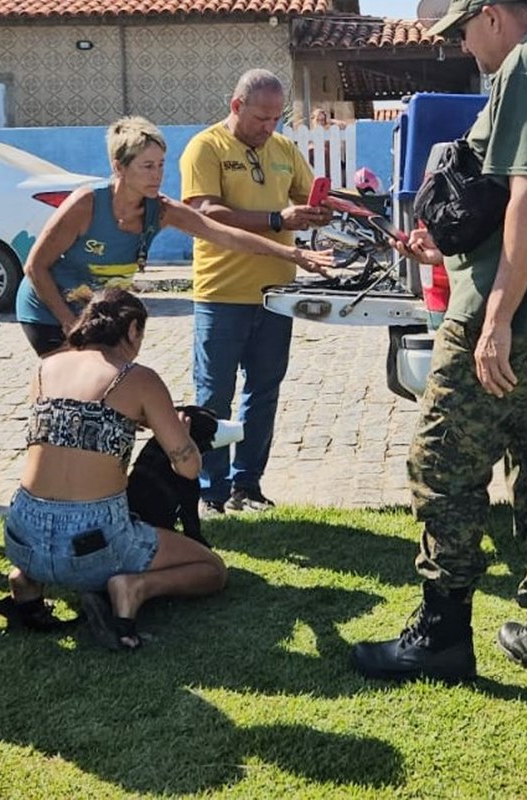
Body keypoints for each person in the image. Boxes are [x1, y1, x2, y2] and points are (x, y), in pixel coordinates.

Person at [350, 0, 527, 688]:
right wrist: (451, 252)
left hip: (501, 322)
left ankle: (440, 638)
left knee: (442, 466)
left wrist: (495, 315)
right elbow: (519, 205)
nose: (463, 48)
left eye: (462, 32)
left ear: (493, 12)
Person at [0, 288, 227, 650]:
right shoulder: (136, 378)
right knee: (212, 570)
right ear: (133, 329)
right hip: (93, 543)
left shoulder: (46, 367)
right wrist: (177, 430)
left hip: (22, 534)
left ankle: (26, 581)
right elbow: (187, 467)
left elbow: (69, 434)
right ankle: (133, 588)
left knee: (46, 539)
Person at [15, 116, 332, 356]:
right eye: (147, 166)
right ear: (119, 167)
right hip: (47, 310)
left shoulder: (162, 210)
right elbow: (35, 266)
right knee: (71, 392)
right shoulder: (86, 204)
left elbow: (225, 235)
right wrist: (69, 323)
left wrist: (293, 254)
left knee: (109, 391)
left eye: (161, 165)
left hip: (96, 315)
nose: (157, 175)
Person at [179, 68, 331, 516]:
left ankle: (249, 485)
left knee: (263, 391)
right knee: (213, 397)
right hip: (221, 293)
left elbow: (306, 198)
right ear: (236, 106)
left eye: (276, 119)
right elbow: (203, 211)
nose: (269, 128)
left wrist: (318, 213)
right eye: (261, 119)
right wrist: (276, 221)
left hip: (276, 294)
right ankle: (210, 491)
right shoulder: (205, 147)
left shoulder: (283, 148)